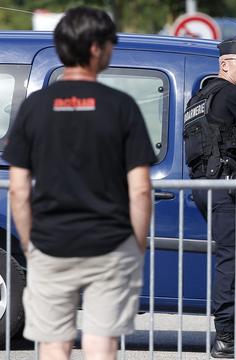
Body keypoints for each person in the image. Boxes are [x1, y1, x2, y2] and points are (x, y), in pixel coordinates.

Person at [3, 6, 155, 360]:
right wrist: (137, 245)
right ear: (95, 48)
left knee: (54, 346)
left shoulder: (35, 107)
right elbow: (141, 188)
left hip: (50, 242)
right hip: (110, 244)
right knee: (102, 344)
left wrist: (30, 242)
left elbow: (18, 189)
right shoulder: (122, 106)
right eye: (111, 44)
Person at [183, 35, 236, 358]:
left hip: (206, 187)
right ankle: (227, 338)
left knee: (226, 259)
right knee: (230, 261)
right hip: (226, 189)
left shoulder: (200, 99)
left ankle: (228, 334)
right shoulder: (234, 94)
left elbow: (221, 145)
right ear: (224, 65)